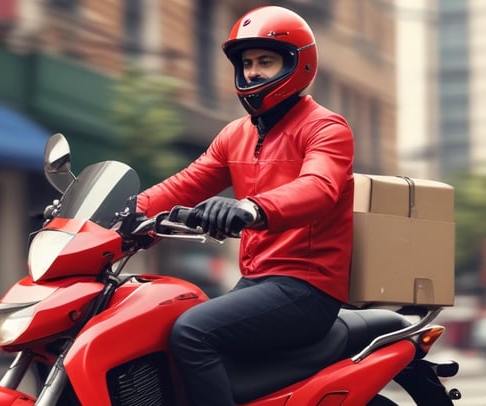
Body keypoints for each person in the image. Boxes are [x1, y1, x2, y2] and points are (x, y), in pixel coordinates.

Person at [135, 6, 354, 405]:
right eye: (247, 63)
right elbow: (185, 184)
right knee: (153, 326)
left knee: (192, 332)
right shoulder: (234, 134)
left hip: (307, 287)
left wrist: (252, 208)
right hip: (257, 283)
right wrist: (120, 213)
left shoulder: (325, 127)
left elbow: (319, 187)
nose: (253, 72)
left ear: (296, 64)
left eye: (266, 62)